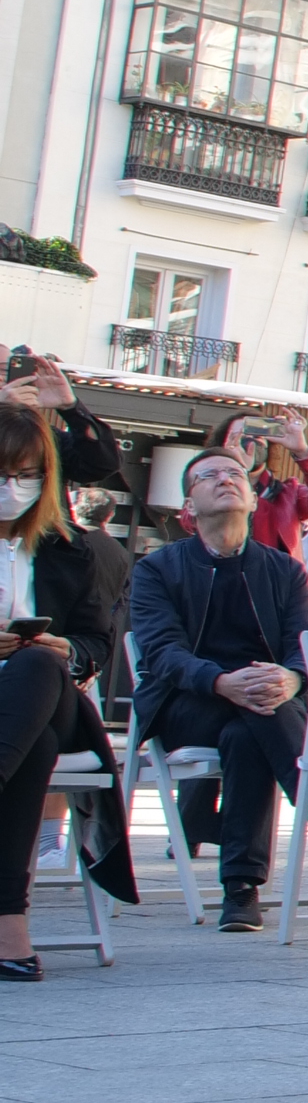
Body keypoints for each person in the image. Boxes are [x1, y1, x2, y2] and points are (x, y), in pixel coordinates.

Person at [129, 449, 308, 933]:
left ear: (252, 500)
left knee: (247, 731)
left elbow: (306, 648)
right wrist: (219, 682)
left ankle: (240, 888)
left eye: (235, 474)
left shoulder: (286, 571)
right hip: (187, 705)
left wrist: (292, 679)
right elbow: (161, 653)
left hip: (266, 705)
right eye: (208, 476)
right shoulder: (157, 569)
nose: (225, 480)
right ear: (189, 505)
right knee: (257, 712)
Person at [0, 393, 134, 980]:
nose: (13, 487)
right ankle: (9, 929)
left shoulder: (67, 550)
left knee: (38, 665)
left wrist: (67, 650)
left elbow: (95, 642)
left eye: (26, 475)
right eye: (2, 473)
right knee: (33, 748)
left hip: (49, 693)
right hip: (30, 731)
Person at [217, 409, 308, 558]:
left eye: (257, 434)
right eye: (239, 436)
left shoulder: (289, 494)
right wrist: (234, 471)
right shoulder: (207, 489)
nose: (249, 441)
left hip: (277, 571)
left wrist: (302, 452)